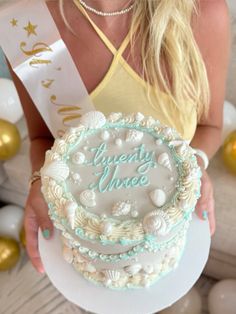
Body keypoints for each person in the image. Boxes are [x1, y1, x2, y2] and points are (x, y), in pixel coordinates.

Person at [8, 0, 230, 274]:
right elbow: (42, 138)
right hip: (86, 249)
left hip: (168, 245)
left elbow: (210, 126)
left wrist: (194, 162)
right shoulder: (26, 26)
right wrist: (39, 180)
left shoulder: (204, 11)